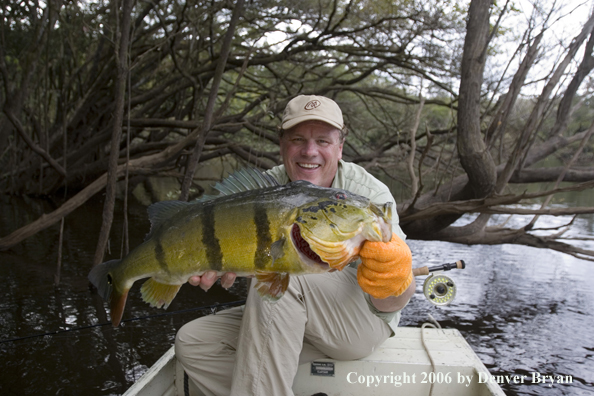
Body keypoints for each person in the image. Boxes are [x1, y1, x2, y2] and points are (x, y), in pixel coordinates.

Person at [175, 95, 415, 396]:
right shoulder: (264, 189)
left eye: (323, 141)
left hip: (359, 324)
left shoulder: (367, 198)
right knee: (193, 343)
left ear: (340, 147)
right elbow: (237, 252)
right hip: (297, 319)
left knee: (285, 275)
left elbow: (393, 302)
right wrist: (220, 261)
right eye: (298, 139)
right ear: (282, 144)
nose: (310, 151)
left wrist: (394, 278)